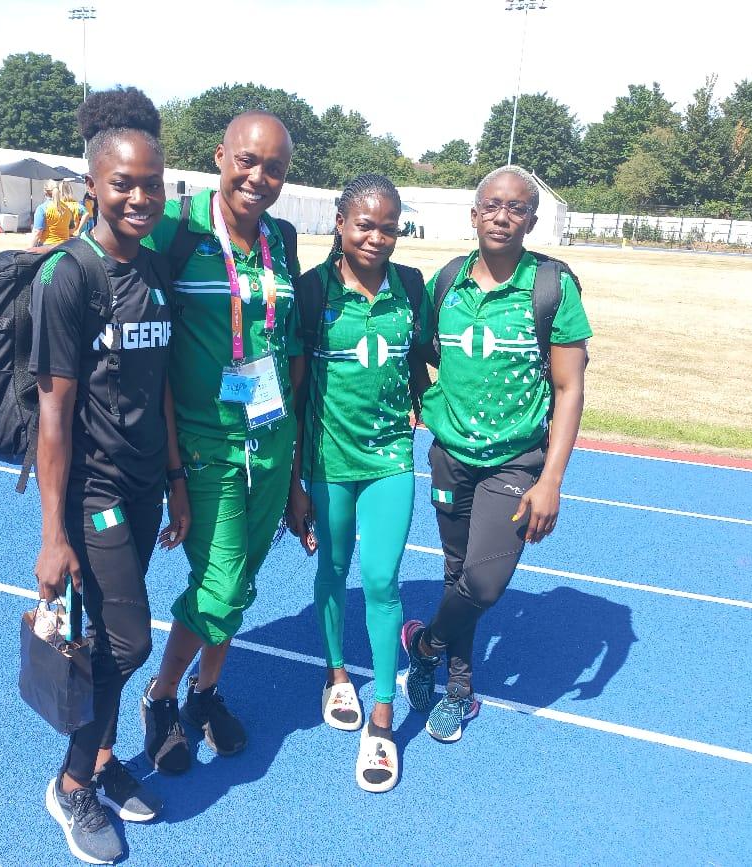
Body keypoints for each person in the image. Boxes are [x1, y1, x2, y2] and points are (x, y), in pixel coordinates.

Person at [0, 87, 189, 865]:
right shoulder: (69, 279)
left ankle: (105, 762)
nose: (140, 196)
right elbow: (53, 415)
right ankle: (73, 782)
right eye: (123, 183)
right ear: (92, 188)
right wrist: (52, 536)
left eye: (151, 182)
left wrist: (176, 478)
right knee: (126, 639)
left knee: (112, 641)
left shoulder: (156, 266)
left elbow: (164, 384)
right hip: (94, 491)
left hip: (147, 485)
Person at [138, 111, 304, 776]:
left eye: (275, 168)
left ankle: (206, 694)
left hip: (270, 439)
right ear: (219, 156)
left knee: (240, 583)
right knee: (221, 582)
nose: (258, 177)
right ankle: (161, 696)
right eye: (247, 160)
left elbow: (290, 348)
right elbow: (84, 256)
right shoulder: (174, 229)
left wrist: (294, 470)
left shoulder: (283, 239)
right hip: (206, 446)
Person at [401, 165, 592, 743]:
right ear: (475, 214)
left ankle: (424, 644)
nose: (503, 215)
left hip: (515, 464)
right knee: (456, 572)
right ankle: (460, 689)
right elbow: (421, 350)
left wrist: (552, 479)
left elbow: (569, 388)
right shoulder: (448, 281)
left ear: (532, 219)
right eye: (492, 205)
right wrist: (420, 397)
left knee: (484, 585)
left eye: (516, 207)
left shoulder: (551, 286)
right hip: (449, 457)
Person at [286, 174, 427, 793]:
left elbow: (427, 363)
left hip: (391, 459)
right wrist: (295, 482)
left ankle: (383, 721)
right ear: (340, 224)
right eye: (365, 224)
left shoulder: (413, 288)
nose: (377, 236)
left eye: (389, 226)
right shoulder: (312, 293)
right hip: (328, 463)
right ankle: (337, 672)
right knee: (334, 569)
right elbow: (290, 394)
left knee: (383, 579)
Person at [33, 179, 85, 247]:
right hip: (64, 246)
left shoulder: (42, 209)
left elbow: (37, 233)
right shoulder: (67, 209)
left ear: (45, 192)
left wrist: (29, 250)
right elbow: (71, 230)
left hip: (47, 246)